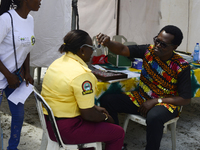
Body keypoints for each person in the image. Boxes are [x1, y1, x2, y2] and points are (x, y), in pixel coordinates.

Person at [96, 25, 191, 150]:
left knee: (154, 117)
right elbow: (123, 49)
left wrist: (156, 101)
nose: (157, 45)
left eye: (163, 44)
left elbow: (185, 99)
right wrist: (108, 43)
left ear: (175, 47)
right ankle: (117, 143)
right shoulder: (148, 51)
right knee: (107, 100)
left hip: (166, 104)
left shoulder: (181, 66)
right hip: (141, 98)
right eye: (157, 40)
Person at [41, 30, 125, 150]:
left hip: (51, 123)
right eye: (92, 48)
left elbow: (67, 97)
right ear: (82, 50)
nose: (93, 52)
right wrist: (106, 118)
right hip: (67, 129)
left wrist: (94, 108)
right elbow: (88, 115)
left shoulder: (57, 63)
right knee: (118, 133)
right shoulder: (82, 74)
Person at [0, 0, 41, 149]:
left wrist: (27, 71)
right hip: (3, 77)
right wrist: (8, 75)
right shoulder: (5, 19)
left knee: (18, 116)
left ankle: (13, 147)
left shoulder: (30, 20)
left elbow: (27, 47)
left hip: (15, 77)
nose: (40, 0)